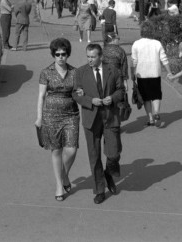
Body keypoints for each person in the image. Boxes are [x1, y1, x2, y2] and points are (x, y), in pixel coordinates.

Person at [72, 43, 124, 204]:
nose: (90, 60)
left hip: (110, 116)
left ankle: (109, 173)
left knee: (114, 152)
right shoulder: (80, 72)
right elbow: (75, 93)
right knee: (94, 156)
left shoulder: (113, 70)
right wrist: (89, 100)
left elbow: (121, 90)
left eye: (93, 57)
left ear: (101, 56)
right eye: (88, 56)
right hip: (91, 117)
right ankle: (99, 190)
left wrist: (113, 98)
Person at [34, 38, 80, 201]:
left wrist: (82, 94)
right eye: (57, 54)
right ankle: (59, 185)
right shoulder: (46, 72)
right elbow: (41, 96)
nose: (60, 57)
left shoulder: (75, 72)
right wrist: (39, 118)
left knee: (71, 149)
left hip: (71, 115)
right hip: (50, 116)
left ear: (68, 54)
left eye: (64, 54)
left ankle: (64, 175)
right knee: (56, 150)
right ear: (53, 54)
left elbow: (78, 92)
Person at [130, 28, 172, 127]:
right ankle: (156, 112)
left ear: (142, 33)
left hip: (141, 74)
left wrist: (132, 73)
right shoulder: (157, 43)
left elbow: (134, 61)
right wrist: (169, 72)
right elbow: (164, 59)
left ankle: (150, 118)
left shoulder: (136, 43)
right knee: (156, 95)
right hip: (155, 73)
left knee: (146, 97)